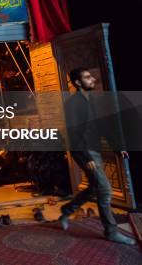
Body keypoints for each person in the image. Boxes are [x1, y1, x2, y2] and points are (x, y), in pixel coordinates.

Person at [58, 67, 136, 245]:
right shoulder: (72, 104)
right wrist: (87, 159)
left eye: (91, 76)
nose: (92, 79)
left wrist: (118, 147)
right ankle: (111, 231)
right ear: (78, 83)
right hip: (82, 152)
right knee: (105, 189)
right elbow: (74, 134)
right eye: (87, 77)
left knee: (94, 187)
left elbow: (103, 126)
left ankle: (67, 209)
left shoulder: (92, 102)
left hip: (94, 149)